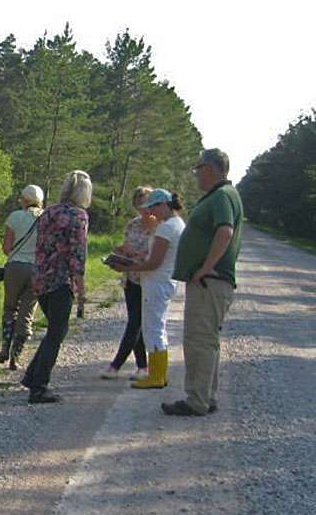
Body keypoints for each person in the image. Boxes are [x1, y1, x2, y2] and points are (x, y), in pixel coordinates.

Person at [162, 148, 244, 417]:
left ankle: (196, 400)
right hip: (211, 282)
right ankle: (206, 396)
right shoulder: (221, 195)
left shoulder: (221, 196)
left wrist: (205, 268)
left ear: (209, 168)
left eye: (198, 169)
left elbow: (225, 231)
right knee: (206, 340)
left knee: (198, 340)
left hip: (210, 281)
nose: (196, 175)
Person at [21, 170, 92, 404]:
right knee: (57, 333)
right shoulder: (78, 216)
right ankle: (39, 387)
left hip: (41, 277)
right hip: (61, 280)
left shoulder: (49, 211)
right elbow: (77, 253)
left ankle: (33, 375)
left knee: (54, 329)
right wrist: (81, 287)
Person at [110, 190, 186, 390]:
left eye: (153, 207)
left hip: (156, 283)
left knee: (153, 329)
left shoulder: (165, 229)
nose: (151, 212)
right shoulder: (177, 225)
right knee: (155, 327)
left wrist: (126, 267)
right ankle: (158, 373)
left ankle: (156, 375)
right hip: (164, 281)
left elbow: (153, 263)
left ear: (163, 205)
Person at [101, 186, 155, 381]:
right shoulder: (133, 225)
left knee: (135, 323)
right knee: (135, 321)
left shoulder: (159, 227)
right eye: (139, 202)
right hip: (130, 277)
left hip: (148, 280)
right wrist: (120, 253)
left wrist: (135, 253)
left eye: (146, 202)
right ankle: (142, 366)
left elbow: (156, 255)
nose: (143, 207)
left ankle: (115, 366)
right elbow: (127, 246)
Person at [0, 184, 45, 370]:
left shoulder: (14, 217)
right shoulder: (46, 218)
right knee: (27, 312)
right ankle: (17, 355)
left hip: (15, 267)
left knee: (10, 308)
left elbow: (6, 249)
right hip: (36, 269)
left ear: (24, 199)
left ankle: (4, 349)